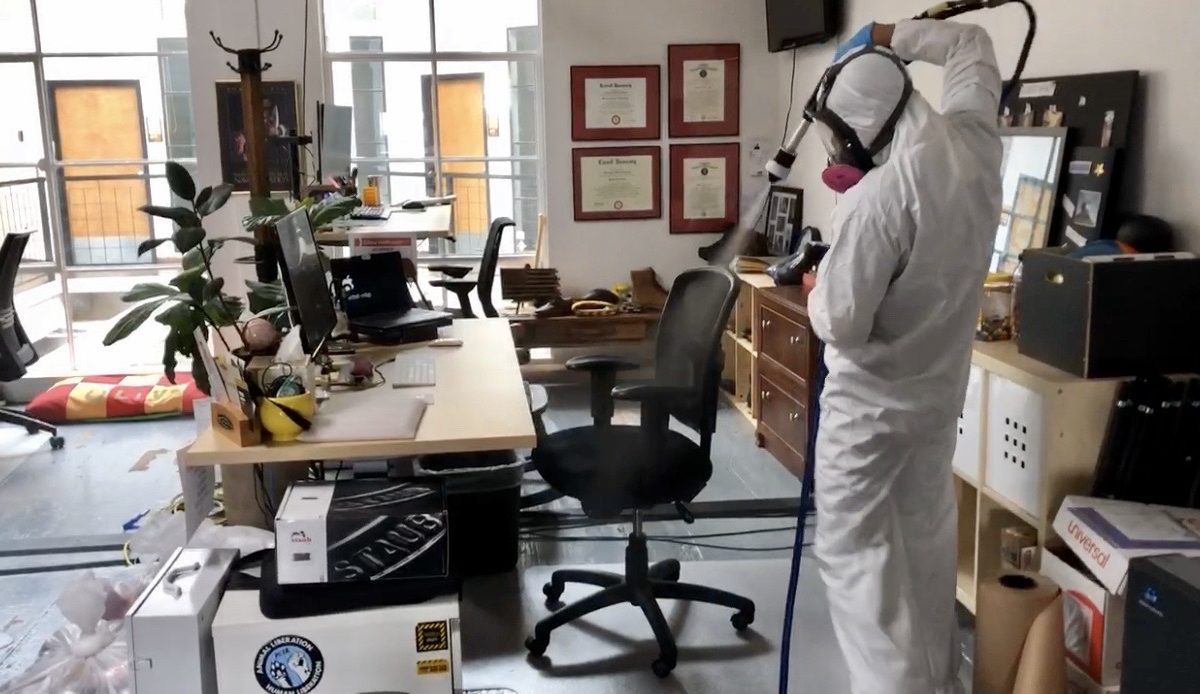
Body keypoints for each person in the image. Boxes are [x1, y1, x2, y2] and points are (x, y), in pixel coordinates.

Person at [805, 20, 1003, 694]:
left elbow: (840, 323)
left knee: (860, 566)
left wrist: (815, 283)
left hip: (868, 421)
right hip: (934, 408)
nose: (837, 152)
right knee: (923, 558)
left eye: (839, 136)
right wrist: (892, 31)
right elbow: (971, 46)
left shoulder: (876, 200)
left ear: (866, 131)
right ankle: (942, 685)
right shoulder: (975, 144)